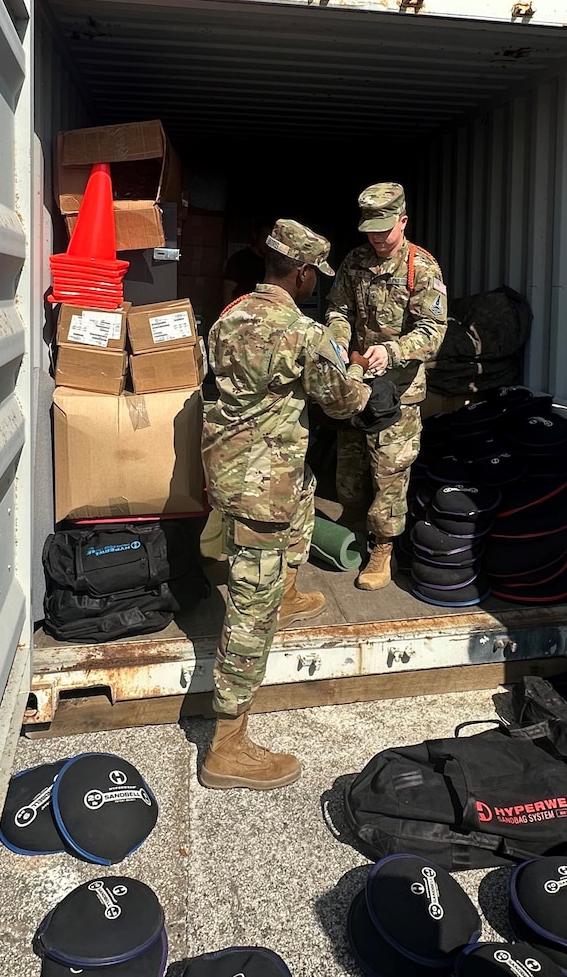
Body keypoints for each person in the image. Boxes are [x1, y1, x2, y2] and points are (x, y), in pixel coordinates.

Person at [200, 219, 371, 790]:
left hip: (237, 469)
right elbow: (342, 402)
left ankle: (288, 591)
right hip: (261, 485)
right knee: (250, 611)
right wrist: (360, 376)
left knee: (305, 499)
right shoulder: (301, 331)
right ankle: (226, 743)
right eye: (311, 276)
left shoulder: (228, 315)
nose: (312, 284)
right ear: (299, 272)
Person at [326, 182, 448, 591]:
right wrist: (339, 338)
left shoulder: (421, 267)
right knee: (349, 470)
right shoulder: (355, 261)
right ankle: (354, 522)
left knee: (389, 472)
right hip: (356, 382)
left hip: (397, 392)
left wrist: (394, 351)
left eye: (385, 228)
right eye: (371, 229)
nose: (377, 237)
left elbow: (432, 330)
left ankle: (383, 547)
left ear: (403, 220)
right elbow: (338, 308)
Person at [221, 219, 272, 304]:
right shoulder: (239, 259)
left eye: (270, 239)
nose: (266, 242)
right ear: (256, 236)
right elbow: (227, 291)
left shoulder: (272, 262)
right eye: (264, 237)